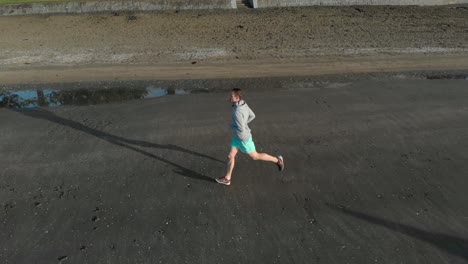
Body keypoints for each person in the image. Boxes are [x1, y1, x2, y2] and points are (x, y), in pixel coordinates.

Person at [216, 88, 284, 186]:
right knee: (231, 155)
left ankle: (278, 160)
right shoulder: (243, 103)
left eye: (231, 96)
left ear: (237, 98)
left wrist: (231, 126)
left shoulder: (237, 111)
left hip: (243, 138)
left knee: (255, 156)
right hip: (237, 137)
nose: (229, 97)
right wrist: (243, 124)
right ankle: (227, 178)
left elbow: (241, 129)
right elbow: (253, 116)